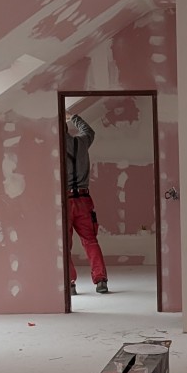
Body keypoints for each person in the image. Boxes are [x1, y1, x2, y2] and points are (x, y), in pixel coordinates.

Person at [66, 113, 110, 294]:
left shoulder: (56, 147)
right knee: (91, 241)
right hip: (84, 200)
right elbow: (89, 131)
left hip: (65, 201)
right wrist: (74, 117)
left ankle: (69, 283)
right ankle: (101, 281)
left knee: (65, 245)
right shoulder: (82, 142)